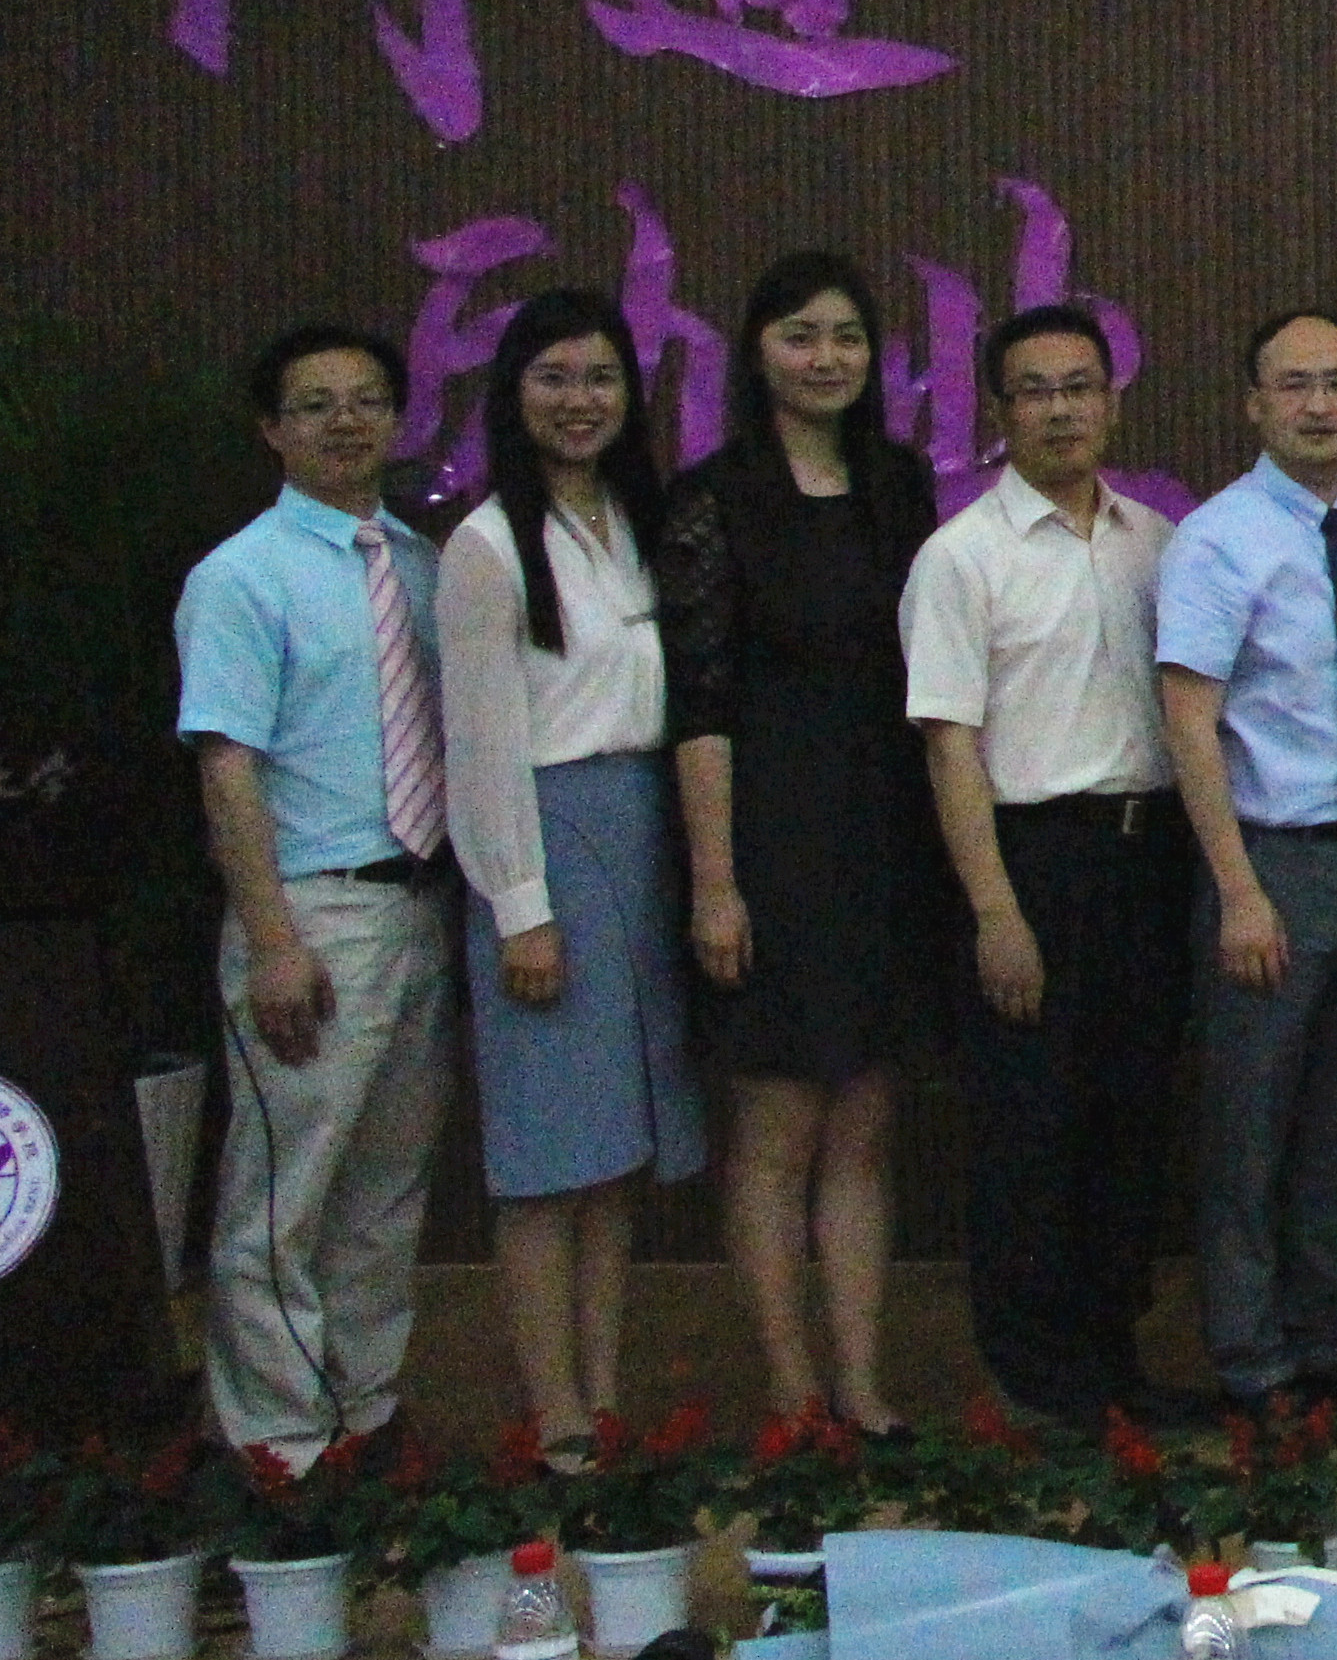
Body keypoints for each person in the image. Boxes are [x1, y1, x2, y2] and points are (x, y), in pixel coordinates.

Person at [657, 252, 949, 1430]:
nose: (826, 358)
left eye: (847, 336)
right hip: (767, 845)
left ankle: (864, 1382)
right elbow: (699, 705)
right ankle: (791, 1386)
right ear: (757, 352)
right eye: (800, 335)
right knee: (778, 1129)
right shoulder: (712, 499)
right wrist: (715, 881)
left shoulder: (901, 485)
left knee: (866, 1126)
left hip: (887, 837)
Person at [903, 302, 1199, 1427]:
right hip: (1028, 863)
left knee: (1130, 1120)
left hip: (1147, 859)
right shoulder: (960, 558)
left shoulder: (1156, 543)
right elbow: (949, 747)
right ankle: (1035, 1381)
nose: (1061, 409)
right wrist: (995, 912)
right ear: (1000, 411)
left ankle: (1115, 1363)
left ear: (1112, 402)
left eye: (1080, 387)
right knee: (1031, 1129)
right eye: (1035, 390)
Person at [177, 326, 461, 1459]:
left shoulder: (424, 565)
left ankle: (364, 1416)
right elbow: (226, 766)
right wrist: (273, 941)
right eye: (315, 404)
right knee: (281, 1199)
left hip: (422, 904)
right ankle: (278, 1451)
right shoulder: (241, 576)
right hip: (312, 913)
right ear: (272, 428)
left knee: (385, 1193)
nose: (346, 421)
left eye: (367, 399)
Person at [435, 289, 706, 1452]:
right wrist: (519, 909)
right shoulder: (488, 544)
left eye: (599, 377)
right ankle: (552, 1414)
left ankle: (602, 1399)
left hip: (647, 840)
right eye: (552, 377)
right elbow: (481, 746)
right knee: (547, 1157)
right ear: (513, 395)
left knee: (616, 1155)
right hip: (547, 848)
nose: (578, 400)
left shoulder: (644, 521)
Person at [1154, 309, 1337, 1424]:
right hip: (1272, 864)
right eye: (1295, 384)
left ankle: (1323, 1343)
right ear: (1253, 404)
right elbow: (1188, 718)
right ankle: (1252, 1363)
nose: (1320, 405)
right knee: (1248, 1130)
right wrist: (1237, 891)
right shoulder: (1216, 540)